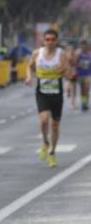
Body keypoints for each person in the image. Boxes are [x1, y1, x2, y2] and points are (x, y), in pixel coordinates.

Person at [26, 29, 70, 168]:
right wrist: (29, 77)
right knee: (44, 120)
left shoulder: (61, 54)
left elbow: (67, 71)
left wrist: (61, 71)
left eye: (52, 40)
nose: (50, 42)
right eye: (47, 39)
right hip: (42, 92)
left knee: (55, 125)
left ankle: (52, 153)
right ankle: (45, 142)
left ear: (56, 41)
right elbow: (29, 66)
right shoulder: (37, 53)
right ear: (43, 41)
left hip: (56, 93)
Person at [76, 39, 91, 112]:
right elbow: (74, 63)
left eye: (85, 45)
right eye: (82, 45)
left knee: (87, 89)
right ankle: (83, 102)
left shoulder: (89, 54)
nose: (83, 47)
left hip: (88, 74)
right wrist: (79, 65)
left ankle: (86, 103)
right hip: (80, 74)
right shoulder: (79, 54)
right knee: (82, 90)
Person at [65, 43, 79, 110]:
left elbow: (76, 63)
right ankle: (68, 91)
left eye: (72, 50)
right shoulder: (65, 55)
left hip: (74, 73)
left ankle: (73, 104)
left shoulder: (75, 55)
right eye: (70, 50)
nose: (71, 51)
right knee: (68, 86)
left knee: (73, 89)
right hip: (68, 73)